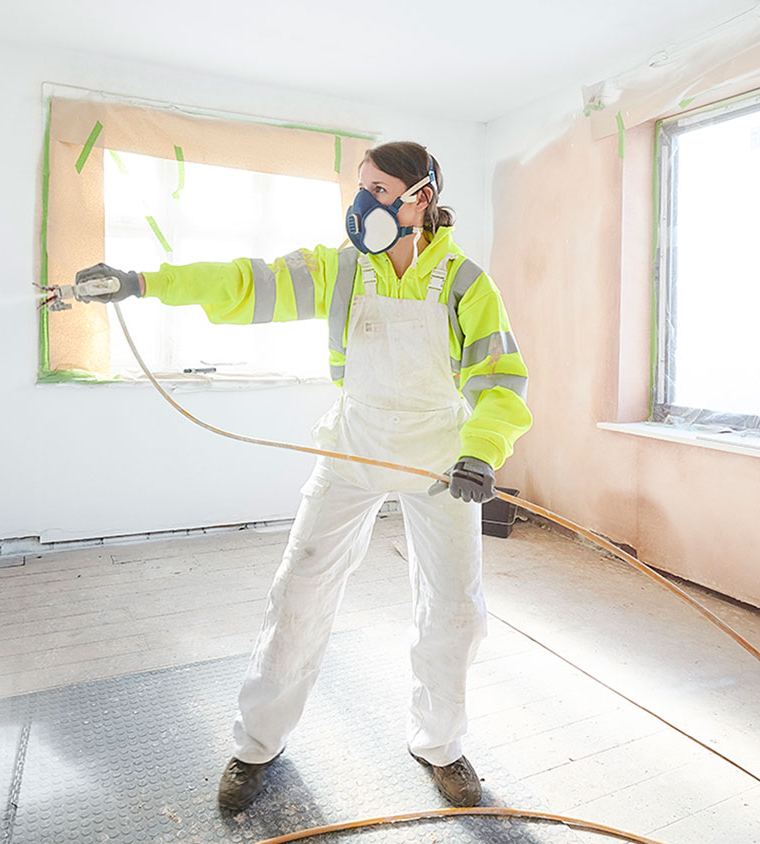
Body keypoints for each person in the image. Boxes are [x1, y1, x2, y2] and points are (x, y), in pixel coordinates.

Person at [63, 141, 531, 811]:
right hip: (353, 449)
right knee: (300, 592)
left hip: (440, 464)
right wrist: (143, 282)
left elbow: (500, 382)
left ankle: (441, 745)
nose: (362, 202)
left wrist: (482, 452)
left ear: (419, 198)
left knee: (455, 606)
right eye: (360, 187)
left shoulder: (465, 282)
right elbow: (244, 280)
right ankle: (257, 746)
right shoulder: (341, 270)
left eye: (377, 188)